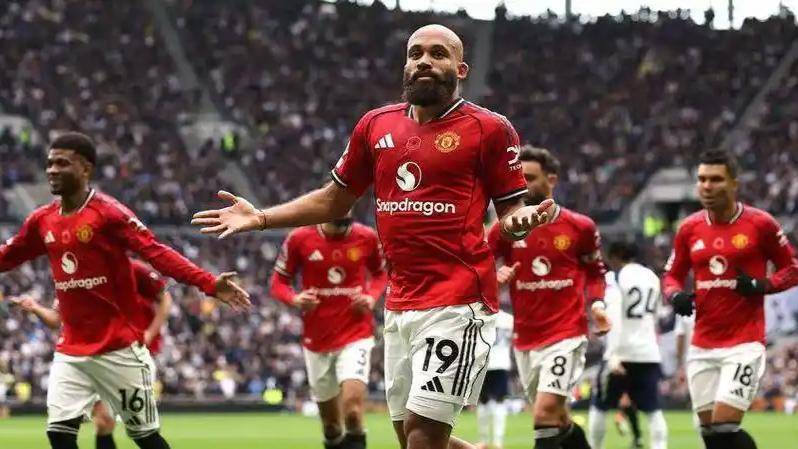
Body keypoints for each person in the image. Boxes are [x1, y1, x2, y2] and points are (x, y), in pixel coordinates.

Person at [192, 23, 552, 449]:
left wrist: (519, 222)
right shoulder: (375, 125)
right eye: (415, 53)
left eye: (438, 54)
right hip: (400, 304)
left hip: (460, 302)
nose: (424, 61)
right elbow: (334, 199)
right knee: (407, 434)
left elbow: (510, 211)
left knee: (423, 436)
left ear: (461, 69)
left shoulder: (489, 128)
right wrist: (261, 217)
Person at [0, 132, 250, 449]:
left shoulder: (108, 213)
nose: (52, 170)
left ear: (85, 169)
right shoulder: (42, 220)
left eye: (62, 163)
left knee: (145, 438)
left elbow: (156, 252)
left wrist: (208, 283)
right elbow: (7, 257)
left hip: (119, 349)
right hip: (71, 350)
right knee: (58, 434)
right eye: (50, 163)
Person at [663, 149, 798, 449]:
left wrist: (762, 285)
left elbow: (792, 269)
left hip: (744, 343)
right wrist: (675, 295)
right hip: (702, 345)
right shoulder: (689, 228)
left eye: (716, 179)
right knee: (710, 433)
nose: (707, 186)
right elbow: (671, 275)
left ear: (734, 183)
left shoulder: (761, 223)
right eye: (702, 179)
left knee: (724, 425)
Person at [486, 146, 610, 449]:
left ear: (551, 180)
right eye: (518, 178)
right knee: (559, 418)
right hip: (526, 339)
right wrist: (493, 279)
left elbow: (595, 273)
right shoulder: (505, 229)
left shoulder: (580, 227)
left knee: (543, 413)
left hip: (566, 335)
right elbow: (478, 266)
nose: (522, 184)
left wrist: (597, 304)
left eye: (529, 177)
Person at [10, 259, 173, 449]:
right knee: (100, 422)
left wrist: (150, 334)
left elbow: (165, 298)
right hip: (83, 357)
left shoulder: (131, 267)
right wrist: (35, 308)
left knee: (144, 434)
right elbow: (56, 319)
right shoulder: (70, 274)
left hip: (124, 355)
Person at [269, 216, 388, 449]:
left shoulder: (366, 237)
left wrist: (371, 297)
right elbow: (278, 282)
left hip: (356, 334)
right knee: (331, 426)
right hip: (317, 341)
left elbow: (381, 273)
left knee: (353, 411)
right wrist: (295, 299)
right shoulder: (299, 238)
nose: (346, 209)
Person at [588, 241, 668, 449]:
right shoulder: (652, 277)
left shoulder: (614, 277)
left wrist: (613, 353)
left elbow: (613, 315)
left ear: (614, 257)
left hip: (621, 352)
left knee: (599, 406)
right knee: (653, 409)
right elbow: (656, 314)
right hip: (648, 352)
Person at [475, 309, 513, 449]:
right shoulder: (508, 318)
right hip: (501, 363)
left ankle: (484, 440)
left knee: (483, 402)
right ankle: (497, 442)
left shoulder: (480, 315)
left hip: (484, 363)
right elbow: (514, 339)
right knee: (499, 401)